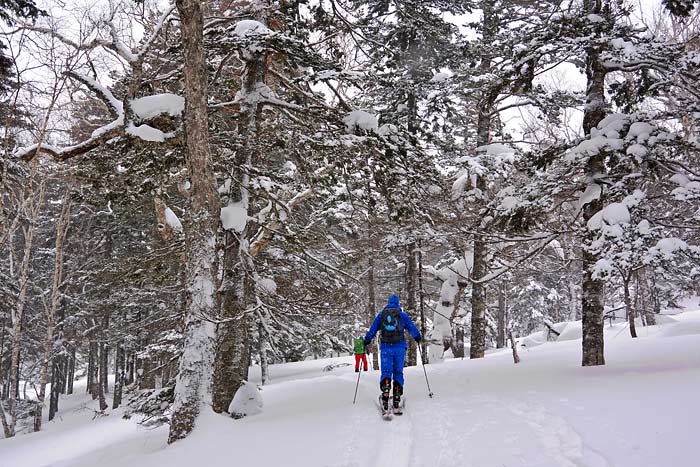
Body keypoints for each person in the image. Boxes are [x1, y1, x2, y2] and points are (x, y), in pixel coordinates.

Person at [364, 294, 421, 412]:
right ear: (398, 303)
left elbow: (373, 329)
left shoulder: (381, 315)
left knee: (386, 371)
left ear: (388, 303)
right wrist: (418, 337)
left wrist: (367, 340)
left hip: (385, 348)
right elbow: (411, 327)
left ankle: (385, 393)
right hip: (399, 347)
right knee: (398, 371)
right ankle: (396, 395)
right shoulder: (402, 315)